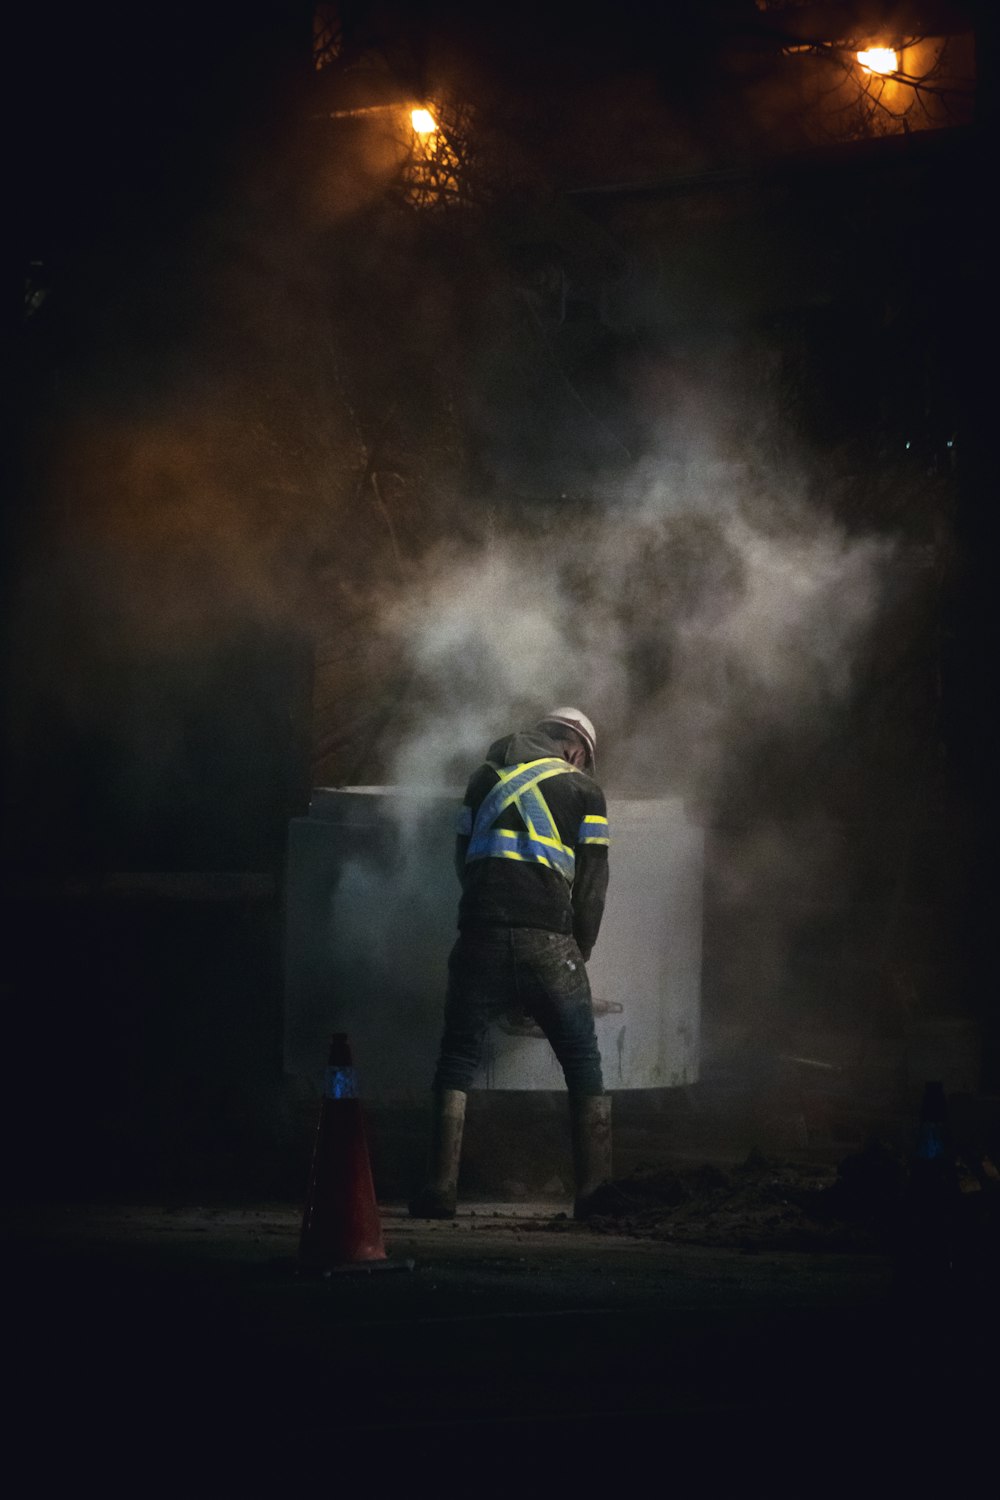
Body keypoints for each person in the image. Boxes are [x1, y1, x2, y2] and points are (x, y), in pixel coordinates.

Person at [409, 707, 612, 1221]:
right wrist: (578, 950)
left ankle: (439, 1190)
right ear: (577, 750)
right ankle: (594, 1196)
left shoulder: (482, 778)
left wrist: (487, 910)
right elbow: (592, 885)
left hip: (479, 933)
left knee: (456, 1059)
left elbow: (463, 858)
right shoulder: (585, 791)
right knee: (583, 1062)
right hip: (549, 940)